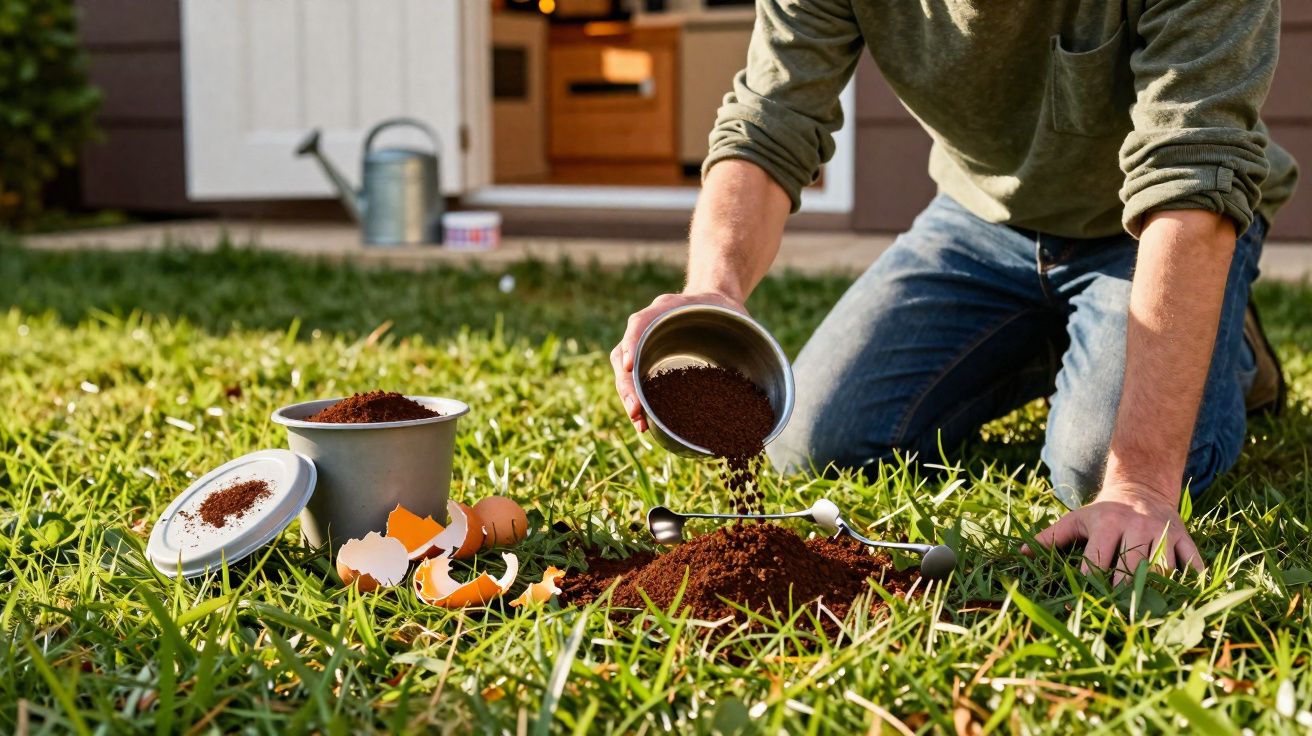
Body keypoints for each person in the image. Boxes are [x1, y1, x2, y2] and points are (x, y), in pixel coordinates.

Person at [610, 0, 1297, 584]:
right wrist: (713, 292)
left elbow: (1192, 166)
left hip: (1157, 226)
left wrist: (1142, 484)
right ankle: (1084, 332)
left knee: (1095, 474)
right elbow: (769, 121)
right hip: (978, 220)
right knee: (815, 441)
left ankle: (1217, 337)